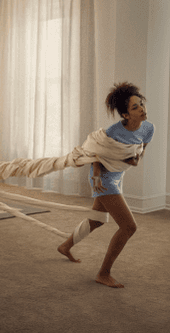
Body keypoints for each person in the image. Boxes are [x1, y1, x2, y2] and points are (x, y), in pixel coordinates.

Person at [58, 82, 155, 288]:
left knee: (98, 220)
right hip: (102, 177)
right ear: (126, 115)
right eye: (135, 107)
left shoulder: (148, 128)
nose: (142, 109)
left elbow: (140, 149)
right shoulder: (113, 131)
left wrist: (136, 159)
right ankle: (103, 273)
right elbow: (96, 152)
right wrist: (95, 177)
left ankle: (65, 246)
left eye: (141, 104)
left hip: (118, 174)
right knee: (129, 227)